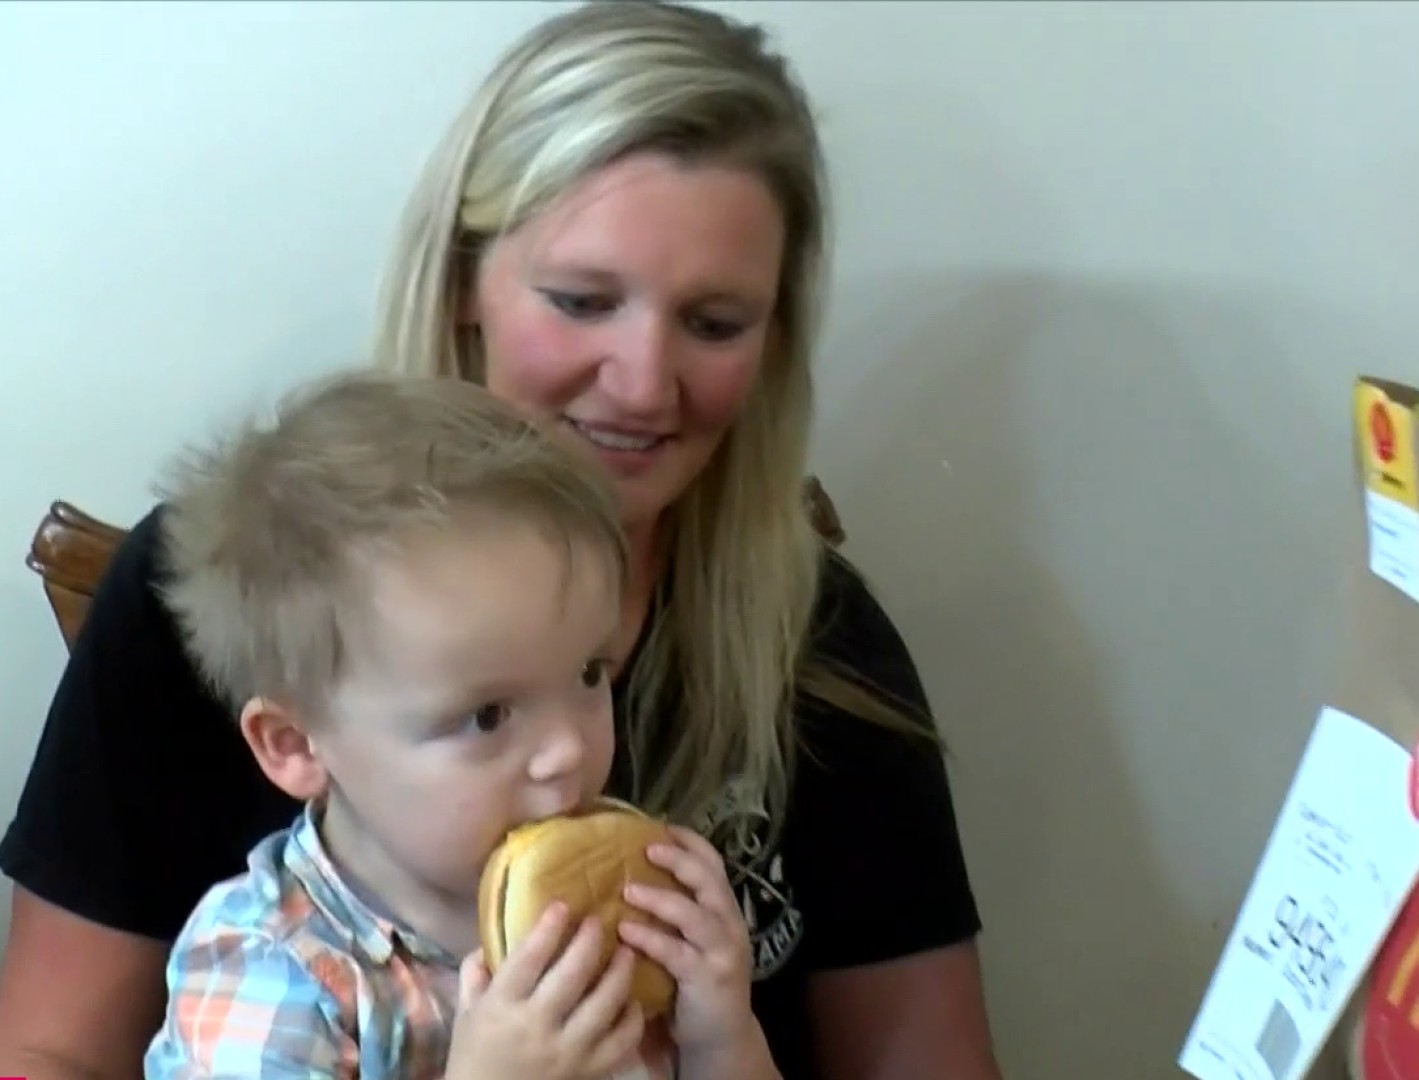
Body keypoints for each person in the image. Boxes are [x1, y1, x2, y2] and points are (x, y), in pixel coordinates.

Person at [0, 3, 1002, 1079]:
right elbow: (47, 1050)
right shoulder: (223, 612)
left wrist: (724, 1030)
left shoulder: (819, 644)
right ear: (465, 282)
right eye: (580, 299)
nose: (642, 381)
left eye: (714, 323)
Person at [143, 369, 758, 1080]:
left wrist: (721, 1036)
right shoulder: (277, 972)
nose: (566, 751)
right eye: (487, 715)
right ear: (297, 745)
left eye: (590, 673)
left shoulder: (616, 911)